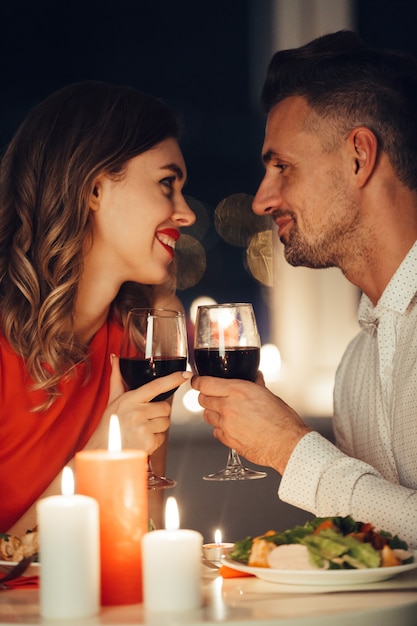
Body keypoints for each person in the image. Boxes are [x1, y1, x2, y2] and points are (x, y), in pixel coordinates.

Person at [192, 30, 417, 549]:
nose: (261, 200)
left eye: (282, 166)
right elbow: (377, 556)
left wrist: (290, 450)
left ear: (359, 156)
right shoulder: (356, 367)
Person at [0, 80, 195, 534]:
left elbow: (133, 533)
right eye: (167, 183)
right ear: (93, 189)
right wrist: (102, 458)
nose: (185, 213)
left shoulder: (145, 331)